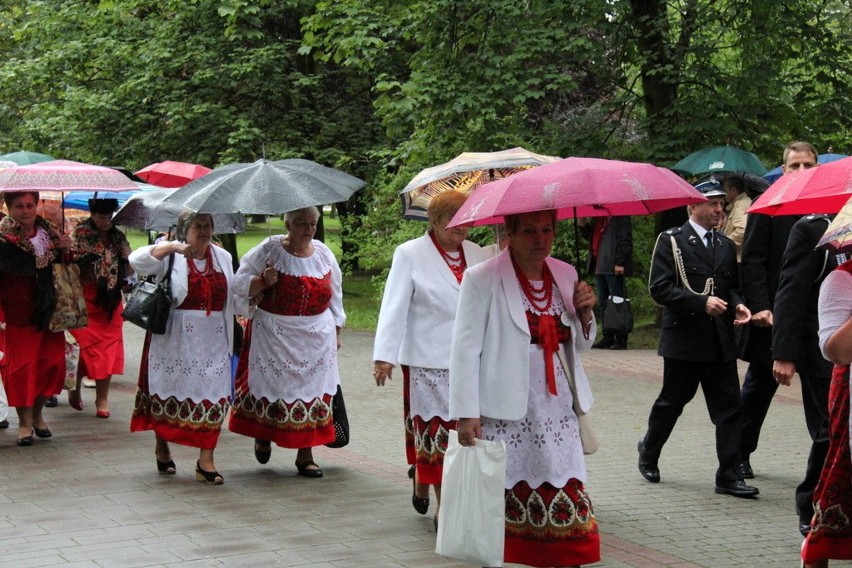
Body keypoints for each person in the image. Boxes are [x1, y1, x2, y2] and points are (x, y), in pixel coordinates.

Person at [450, 210, 600, 567]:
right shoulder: (482, 278)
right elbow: (465, 348)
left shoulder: (566, 274)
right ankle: (514, 555)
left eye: (547, 230)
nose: (540, 239)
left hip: (559, 404)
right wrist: (466, 413)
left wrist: (586, 314)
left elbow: (579, 345)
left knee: (564, 480)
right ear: (510, 233)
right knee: (509, 488)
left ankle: (566, 556)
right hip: (507, 406)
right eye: (530, 231)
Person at [372, 190, 485, 526]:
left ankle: (424, 479)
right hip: (427, 362)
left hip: (470, 363)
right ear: (434, 221)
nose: (460, 227)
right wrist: (384, 357)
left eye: (465, 220)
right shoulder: (410, 254)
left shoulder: (479, 254)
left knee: (464, 434)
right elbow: (394, 306)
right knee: (436, 434)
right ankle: (443, 507)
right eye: (452, 220)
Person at [638, 183, 757, 497]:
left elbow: (729, 287)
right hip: (685, 339)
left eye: (721, 204)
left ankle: (728, 476)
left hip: (719, 341)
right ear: (693, 207)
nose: (719, 210)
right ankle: (649, 450)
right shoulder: (672, 241)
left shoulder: (725, 245)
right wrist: (700, 303)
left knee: (730, 408)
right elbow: (660, 288)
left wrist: (739, 304)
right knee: (672, 403)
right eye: (713, 204)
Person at [229, 206, 345, 479]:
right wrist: (261, 280)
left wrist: (337, 329)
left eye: (312, 224)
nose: (308, 230)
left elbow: (335, 293)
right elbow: (238, 283)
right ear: (287, 224)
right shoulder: (268, 249)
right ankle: (263, 434)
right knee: (274, 388)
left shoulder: (324, 255)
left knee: (314, 392)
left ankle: (306, 454)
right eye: (301, 224)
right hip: (274, 335)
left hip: (316, 338)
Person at [129, 211, 235, 484]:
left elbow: (233, 296)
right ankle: (162, 445)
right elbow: (136, 261)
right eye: (198, 226)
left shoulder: (222, 257)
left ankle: (206, 460)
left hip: (213, 340)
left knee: (215, 396)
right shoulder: (172, 255)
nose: (204, 231)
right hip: (175, 339)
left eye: (208, 226)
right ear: (184, 231)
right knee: (169, 392)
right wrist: (172, 247)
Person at [737, 141, 818, 480]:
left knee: (822, 397)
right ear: (783, 170)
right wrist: (761, 307)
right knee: (757, 391)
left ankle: (829, 464)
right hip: (771, 317)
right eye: (794, 165)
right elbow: (752, 261)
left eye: (807, 165)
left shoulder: (829, 208)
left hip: (814, 319)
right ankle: (738, 455)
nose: (800, 171)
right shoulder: (767, 205)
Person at [772, 213, 835, 536]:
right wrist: (784, 353)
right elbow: (791, 290)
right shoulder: (813, 229)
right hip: (821, 348)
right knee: (830, 428)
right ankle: (810, 501)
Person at [0, 191, 72, 446]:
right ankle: (24, 422)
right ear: (9, 208)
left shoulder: (51, 234)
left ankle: (39, 413)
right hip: (18, 315)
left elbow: (65, 270)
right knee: (22, 370)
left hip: (50, 312)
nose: (26, 210)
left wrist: (66, 251)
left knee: (52, 365)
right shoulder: (3, 239)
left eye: (30, 205)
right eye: (19, 206)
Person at [800, 259, 852, 567]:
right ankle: (817, 553)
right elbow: (837, 351)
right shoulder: (841, 280)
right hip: (849, 393)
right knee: (841, 482)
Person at [67, 198, 132, 418]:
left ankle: (102, 398)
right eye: (102, 217)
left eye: (110, 216)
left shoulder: (118, 236)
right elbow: (70, 263)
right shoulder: (80, 233)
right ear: (93, 214)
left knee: (109, 349)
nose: (107, 221)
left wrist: (127, 260)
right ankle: (74, 389)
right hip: (86, 298)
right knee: (83, 349)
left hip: (111, 300)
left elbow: (130, 267)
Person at [583, 215, 633, 350]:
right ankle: (608, 336)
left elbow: (626, 239)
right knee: (604, 302)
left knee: (618, 301)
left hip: (612, 264)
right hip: (599, 263)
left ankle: (621, 338)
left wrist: (620, 262)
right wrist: (583, 225)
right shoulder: (598, 216)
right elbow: (591, 238)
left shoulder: (620, 216)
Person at [721, 175, 751, 263]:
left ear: (733, 190)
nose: (724, 195)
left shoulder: (740, 206)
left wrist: (724, 242)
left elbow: (742, 231)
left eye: (725, 191)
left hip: (738, 258)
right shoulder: (746, 201)